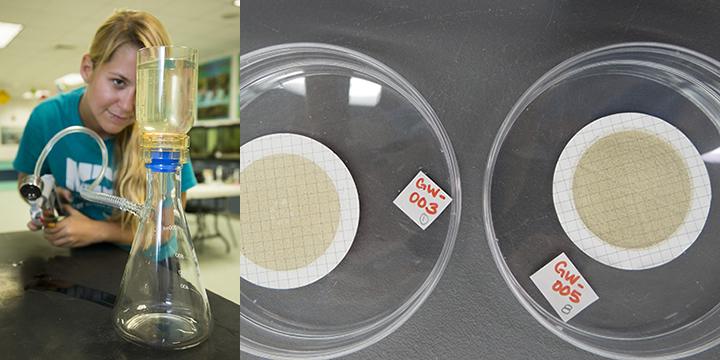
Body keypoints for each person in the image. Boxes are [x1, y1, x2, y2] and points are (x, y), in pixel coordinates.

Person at [13, 9, 198, 249]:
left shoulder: (161, 130)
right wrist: (49, 199)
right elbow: (26, 182)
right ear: (88, 69)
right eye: (118, 82)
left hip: (149, 264)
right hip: (83, 258)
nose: (128, 105)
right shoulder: (48, 117)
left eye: (144, 89)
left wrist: (98, 230)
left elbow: (165, 231)